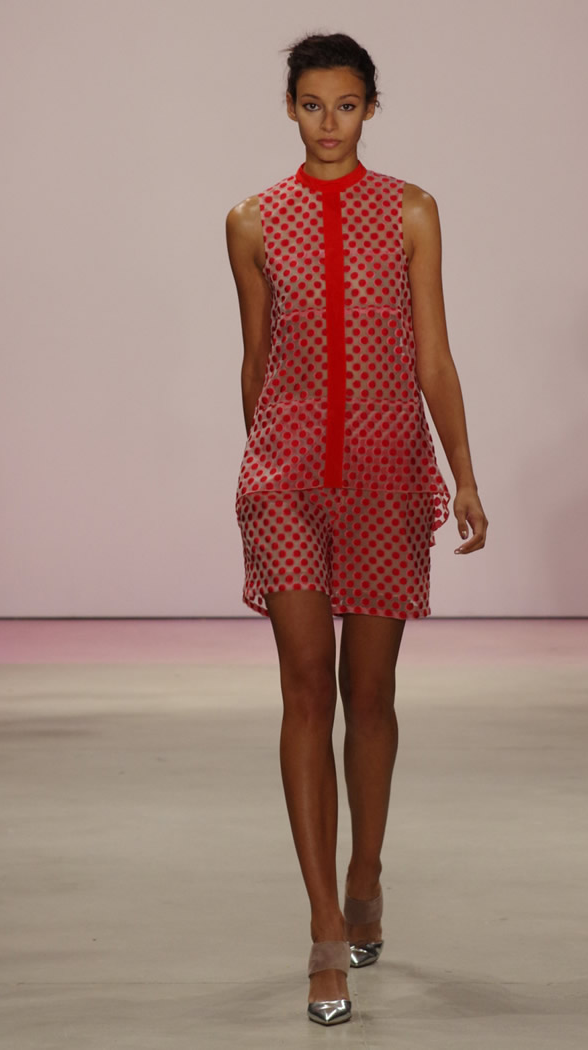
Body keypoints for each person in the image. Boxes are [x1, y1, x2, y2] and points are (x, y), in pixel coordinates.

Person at [225, 31, 488, 1026]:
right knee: (304, 689)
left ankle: (366, 869)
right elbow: (257, 359)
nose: (328, 122)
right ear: (290, 109)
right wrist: (259, 462)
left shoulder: (411, 211)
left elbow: (433, 354)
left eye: (345, 104)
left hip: (387, 475)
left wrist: (463, 473)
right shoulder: (252, 222)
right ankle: (325, 929)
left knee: (367, 694)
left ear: (369, 108)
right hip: (287, 478)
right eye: (311, 104)